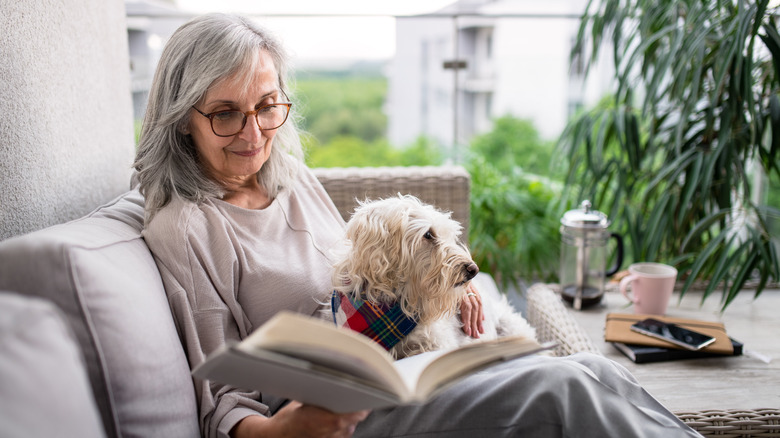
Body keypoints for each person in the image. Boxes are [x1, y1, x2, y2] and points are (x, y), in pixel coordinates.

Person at [134, 13, 703, 438]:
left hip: (397, 370)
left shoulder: (292, 180)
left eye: (267, 105)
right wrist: (291, 427)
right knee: (565, 386)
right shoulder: (188, 227)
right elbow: (220, 402)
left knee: (594, 369)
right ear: (183, 118)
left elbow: (367, 278)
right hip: (339, 417)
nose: (254, 132)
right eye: (226, 113)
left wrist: (450, 294)